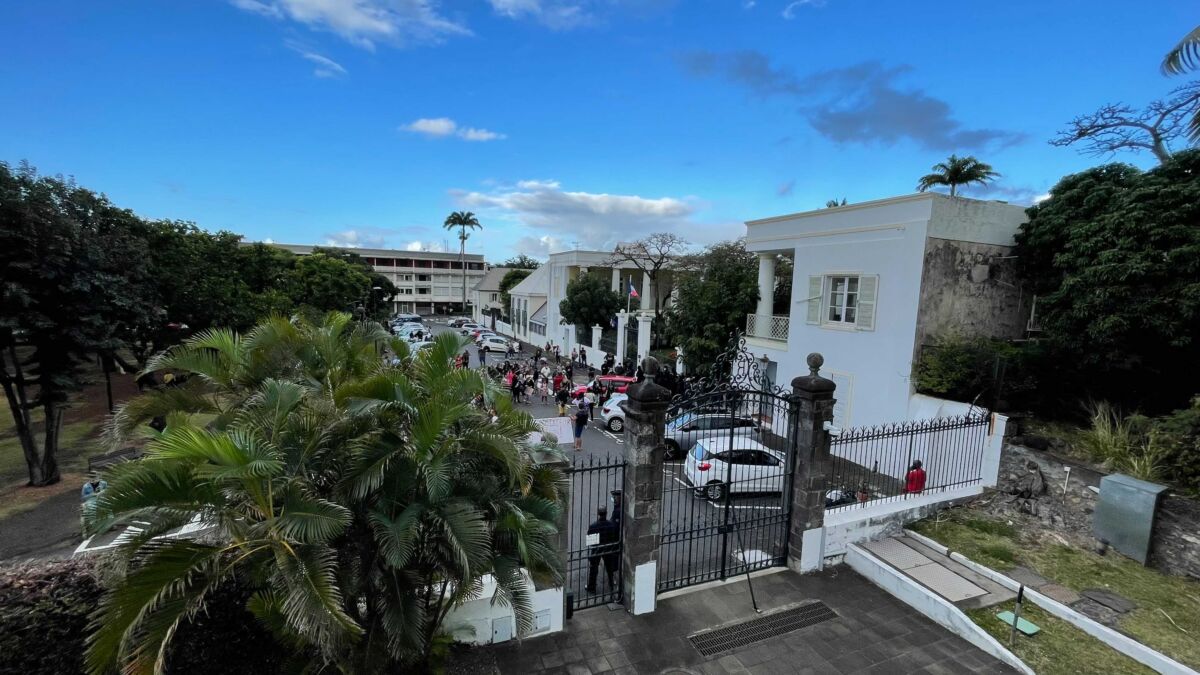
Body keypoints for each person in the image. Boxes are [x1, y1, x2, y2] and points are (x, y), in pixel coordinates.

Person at [585, 506, 620, 594]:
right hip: (607, 548)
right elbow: (613, 537)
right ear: (606, 513)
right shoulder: (611, 525)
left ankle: (592, 587)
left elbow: (590, 540)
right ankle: (612, 584)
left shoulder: (593, 526)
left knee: (593, 568)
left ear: (598, 513)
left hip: (597, 549)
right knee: (609, 568)